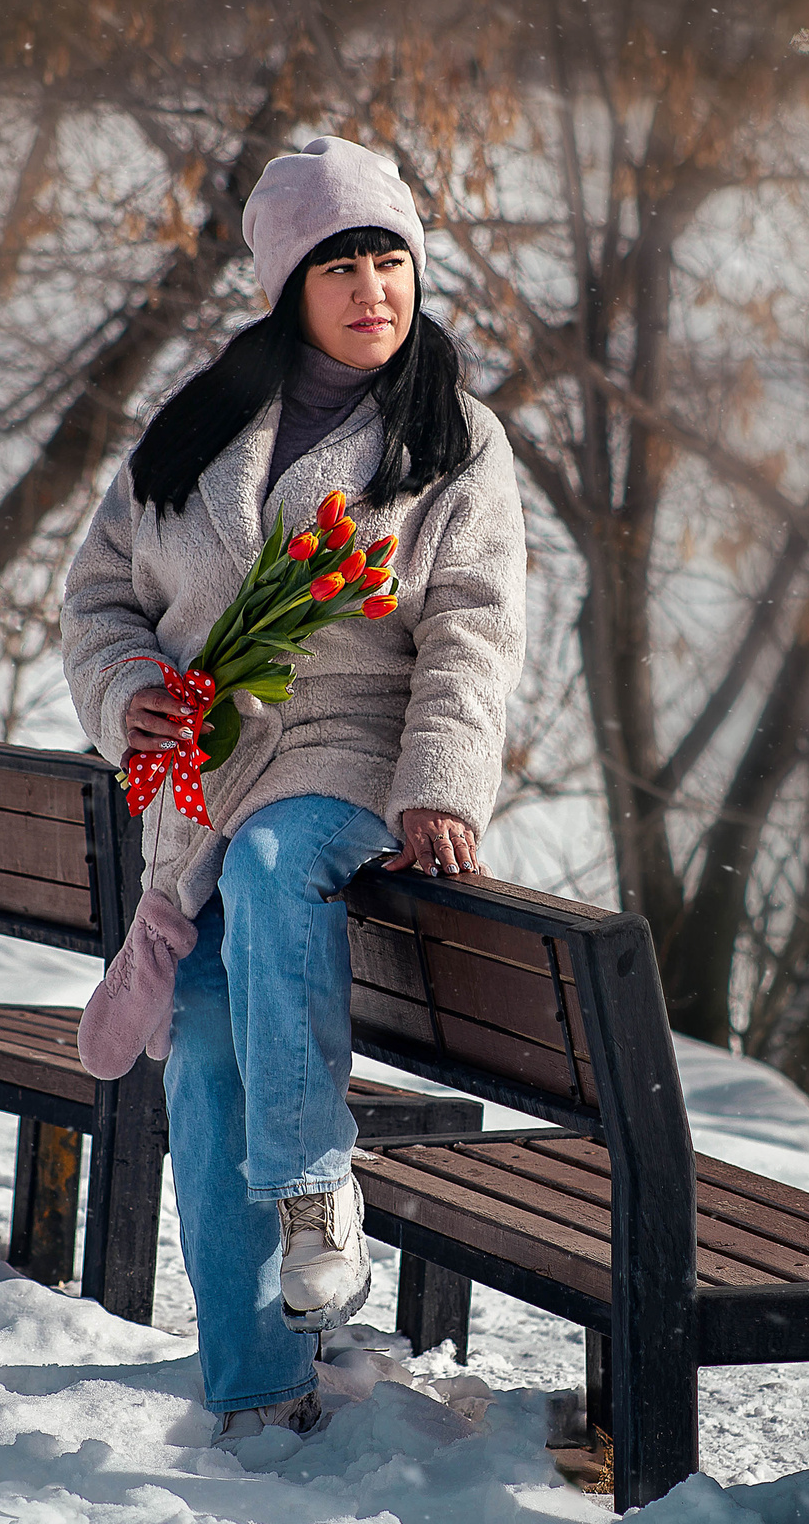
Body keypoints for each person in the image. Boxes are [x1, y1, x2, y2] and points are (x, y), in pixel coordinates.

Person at [61, 136, 525, 1445]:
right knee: (201, 1046)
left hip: (357, 768)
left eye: (392, 259)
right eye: (342, 265)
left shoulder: (453, 441)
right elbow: (97, 599)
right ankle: (256, 1390)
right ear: (287, 285)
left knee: (276, 865)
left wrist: (443, 784)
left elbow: (473, 632)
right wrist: (130, 689)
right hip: (208, 782)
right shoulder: (195, 427)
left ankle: (319, 1183)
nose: (376, 288)